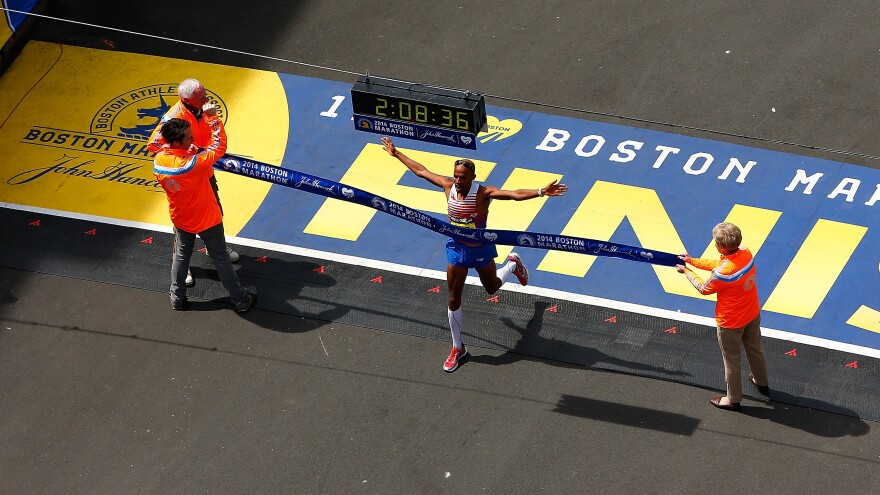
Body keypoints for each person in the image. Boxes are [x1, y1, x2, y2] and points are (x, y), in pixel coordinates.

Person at [381, 137, 567, 372]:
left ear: (473, 178)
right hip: (457, 249)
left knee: (491, 287)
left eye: (463, 177)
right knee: (453, 296)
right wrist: (396, 153)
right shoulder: (448, 186)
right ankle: (458, 348)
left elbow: (513, 194)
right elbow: (421, 171)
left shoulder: (483, 193)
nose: (458, 180)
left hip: (480, 249)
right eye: (456, 176)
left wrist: (541, 191)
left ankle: (512, 264)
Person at [153, 117, 257, 313]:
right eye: (189, 138)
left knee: (181, 256)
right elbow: (219, 147)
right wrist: (213, 119)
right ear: (176, 141)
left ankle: (177, 298)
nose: (193, 141)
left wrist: (188, 151)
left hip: (181, 217)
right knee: (220, 258)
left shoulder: (159, 161)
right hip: (207, 218)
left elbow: (175, 158)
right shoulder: (194, 164)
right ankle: (240, 299)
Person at [147, 78, 239, 287]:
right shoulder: (174, 117)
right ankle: (183, 264)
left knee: (214, 209)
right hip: (187, 176)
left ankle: (214, 248)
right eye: (202, 97)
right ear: (186, 99)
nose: (207, 99)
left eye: (206, 94)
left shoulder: (202, 110)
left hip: (203, 172)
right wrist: (185, 155)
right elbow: (153, 144)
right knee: (183, 223)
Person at [676, 222, 769, 411]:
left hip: (730, 322)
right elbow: (721, 263)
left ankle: (733, 399)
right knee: (755, 349)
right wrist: (692, 261)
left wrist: (686, 271)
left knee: (732, 360)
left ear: (720, 246)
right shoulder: (746, 253)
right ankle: (761, 380)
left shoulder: (722, 275)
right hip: (751, 312)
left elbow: (703, 288)